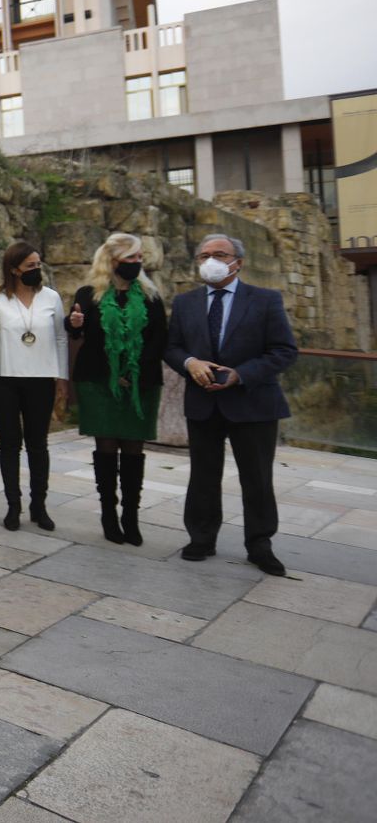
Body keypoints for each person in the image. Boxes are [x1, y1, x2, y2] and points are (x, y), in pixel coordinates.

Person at [164, 233, 298, 575]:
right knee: (203, 476)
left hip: (253, 403)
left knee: (256, 478)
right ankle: (201, 538)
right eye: (203, 255)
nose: (211, 260)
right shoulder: (185, 303)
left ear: (237, 261)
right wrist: (190, 363)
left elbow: (284, 351)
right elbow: (172, 348)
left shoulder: (265, 300)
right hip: (203, 402)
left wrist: (241, 374)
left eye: (219, 254)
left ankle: (260, 544)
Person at [66, 233, 168, 545]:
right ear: (113, 262)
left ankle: (131, 516)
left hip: (141, 384)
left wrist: (131, 373)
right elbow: (76, 332)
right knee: (107, 448)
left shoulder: (151, 297)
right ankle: (108, 514)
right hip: (98, 382)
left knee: (134, 449)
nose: (138, 264)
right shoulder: (89, 294)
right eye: (131, 259)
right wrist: (74, 322)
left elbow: (160, 338)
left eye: (140, 259)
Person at [0, 242, 70, 532]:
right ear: (14, 269)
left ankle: (39, 505)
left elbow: (61, 338)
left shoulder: (51, 297)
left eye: (38, 265)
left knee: (38, 444)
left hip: (41, 380)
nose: (36, 270)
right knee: (10, 443)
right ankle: (13, 505)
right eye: (30, 266)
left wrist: (61, 376)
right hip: (4, 379)